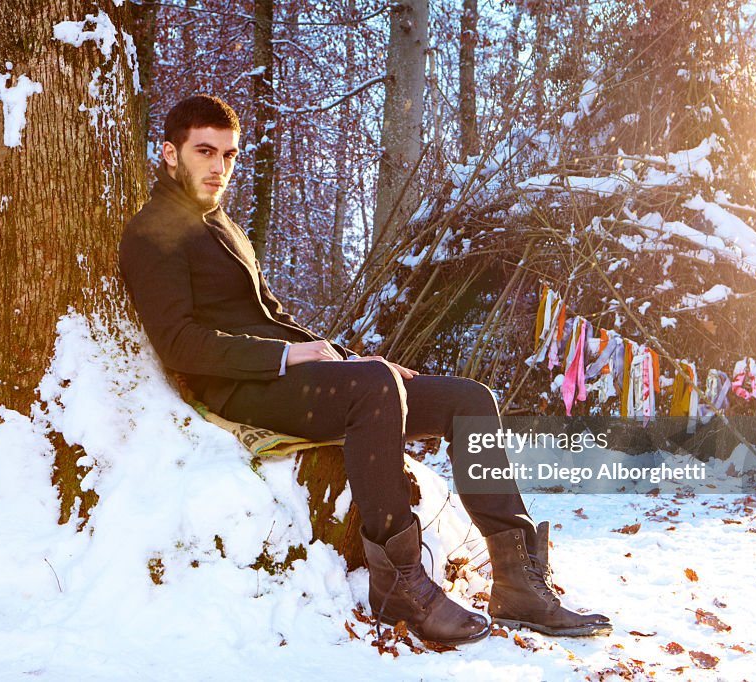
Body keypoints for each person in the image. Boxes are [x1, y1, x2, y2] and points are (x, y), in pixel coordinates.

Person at [119, 94, 611, 645]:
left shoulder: (221, 224)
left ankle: (518, 580)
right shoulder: (153, 230)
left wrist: (353, 361)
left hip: (288, 378)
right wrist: (284, 356)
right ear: (169, 153)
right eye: (204, 151)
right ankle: (399, 585)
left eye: (229, 155)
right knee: (374, 389)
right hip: (242, 388)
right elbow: (178, 342)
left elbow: (271, 314)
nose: (218, 166)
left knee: (467, 400)